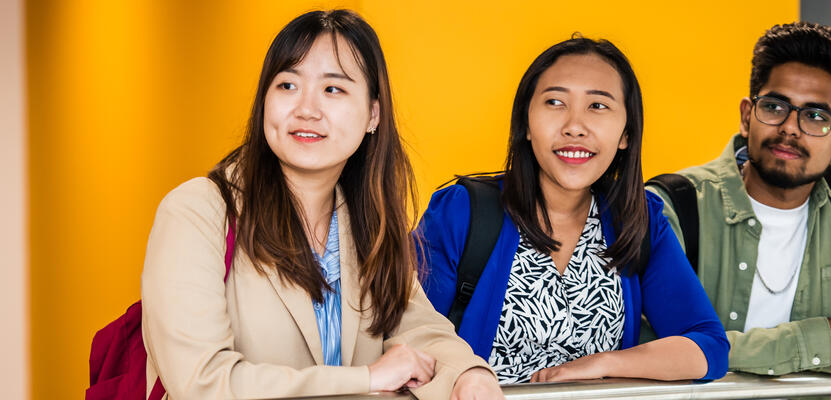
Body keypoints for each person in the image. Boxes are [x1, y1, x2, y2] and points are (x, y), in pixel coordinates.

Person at [140, 10, 502, 399]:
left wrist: (468, 375)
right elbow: (202, 383)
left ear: (373, 115)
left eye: (333, 89)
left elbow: (418, 327)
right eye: (287, 85)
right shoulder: (198, 212)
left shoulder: (368, 223)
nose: (306, 109)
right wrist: (366, 378)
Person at [415, 36, 728, 384]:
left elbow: (708, 348)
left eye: (598, 106)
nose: (574, 126)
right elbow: (409, 340)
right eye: (554, 102)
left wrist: (606, 363)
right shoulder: (461, 213)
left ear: (626, 134)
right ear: (526, 124)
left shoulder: (638, 220)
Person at [646, 22, 831, 392]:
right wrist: (828, 338)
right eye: (774, 106)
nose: (790, 128)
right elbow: (646, 347)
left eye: (816, 116)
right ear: (746, 115)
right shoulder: (670, 205)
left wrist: (709, 351)